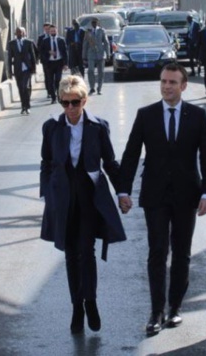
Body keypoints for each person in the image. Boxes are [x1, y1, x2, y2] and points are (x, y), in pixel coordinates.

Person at [118, 63, 206, 336]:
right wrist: (123, 190)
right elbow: (130, 154)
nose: (166, 86)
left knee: (182, 253)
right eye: (163, 81)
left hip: (187, 195)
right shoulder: (146, 115)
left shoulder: (197, 116)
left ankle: (175, 308)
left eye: (172, 82)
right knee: (157, 251)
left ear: (183, 86)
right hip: (155, 194)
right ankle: (156, 311)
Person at [40, 75, 126, 334]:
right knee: (69, 254)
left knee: (86, 251)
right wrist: (47, 193)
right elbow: (46, 162)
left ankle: (91, 301)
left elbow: (109, 162)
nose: (70, 108)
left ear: (84, 101)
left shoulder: (98, 127)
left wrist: (122, 192)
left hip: (89, 196)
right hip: (64, 197)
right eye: (64, 103)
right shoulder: (52, 127)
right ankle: (76, 306)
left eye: (75, 102)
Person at [6, 27, 37, 115]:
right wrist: (9, 71)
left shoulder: (28, 42)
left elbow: (33, 55)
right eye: (18, 32)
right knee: (20, 88)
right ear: (16, 33)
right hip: (17, 69)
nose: (20, 34)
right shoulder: (11, 43)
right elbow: (9, 58)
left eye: (21, 32)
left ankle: (27, 106)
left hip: (27, 68)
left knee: (25, 87)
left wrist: (34, 68)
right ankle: (23, 106)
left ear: (24, 33)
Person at [39, 24, 68, 104]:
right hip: (49, 63)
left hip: (59, 62)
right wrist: (49, 52)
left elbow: (65, 52)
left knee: (58, 80)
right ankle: (53, 97)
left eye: (54, 31)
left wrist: (65, 64)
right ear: (49, 32)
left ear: (57, 31)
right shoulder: (45, 41)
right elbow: (41, 52)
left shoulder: (61, 40)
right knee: (50, 81)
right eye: (51, 31)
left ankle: (59, 96)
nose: (53, 32)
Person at [83, 17, 111, 95]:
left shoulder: (101, 31)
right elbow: (85, 44)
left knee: (101, 72)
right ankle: (92, 87)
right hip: (91, 54)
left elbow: (106, 43)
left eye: (95, 22)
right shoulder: (88, 32)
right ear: (91, 23)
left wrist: (108, 54)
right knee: (90, 70)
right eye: (92, 22)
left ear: (98, 23)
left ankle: (99, 88)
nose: (94, 23)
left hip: (100, 54)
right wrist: (84, 56)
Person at [37, 23, 51, 99]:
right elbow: (39, 49)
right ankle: (49, 91)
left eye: (48, 29)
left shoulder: (54, 36)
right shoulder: (41, 38)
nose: (47, 30)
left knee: (53, 76)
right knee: (47, 76)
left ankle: (54, 89)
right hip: (45, 60)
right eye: (45, 29)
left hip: (54, 60)